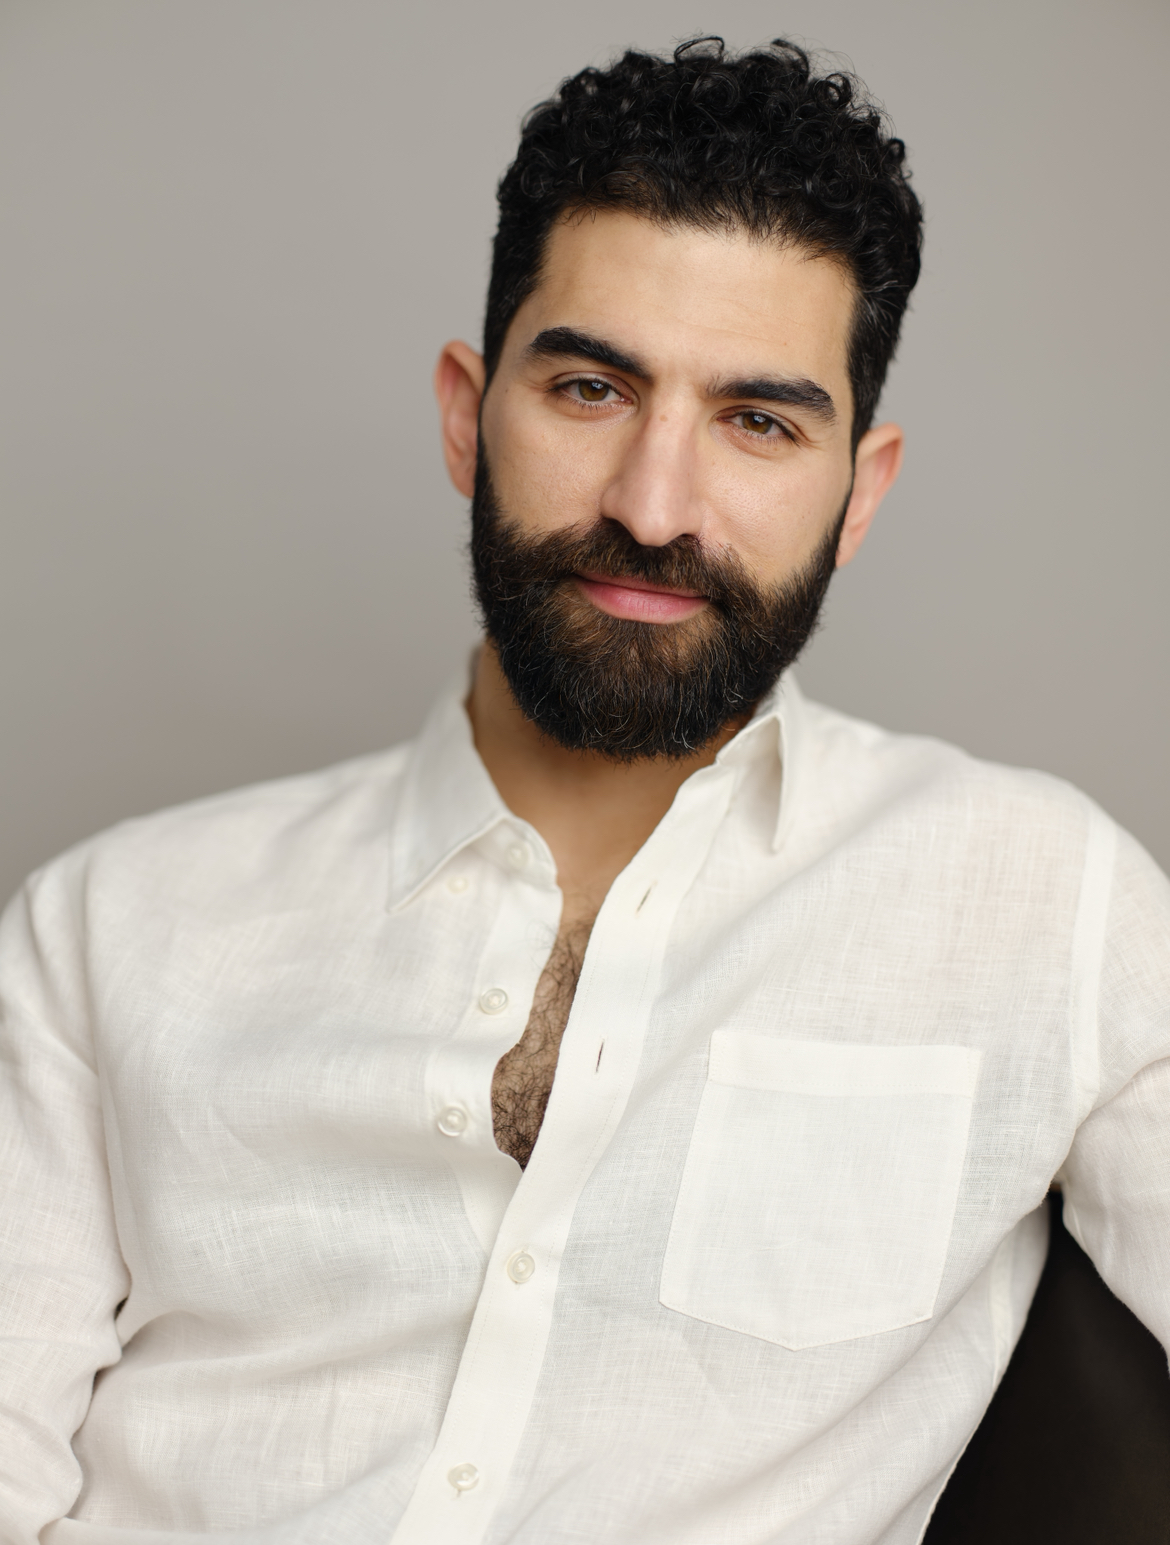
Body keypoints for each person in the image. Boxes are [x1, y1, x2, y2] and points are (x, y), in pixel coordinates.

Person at [1, 34, 1167, 1545]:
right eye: (591, 387)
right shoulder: (108, 928)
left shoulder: (1042, 905)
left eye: (757, 420)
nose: (652, 505)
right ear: (463, 413)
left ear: (857, 490)